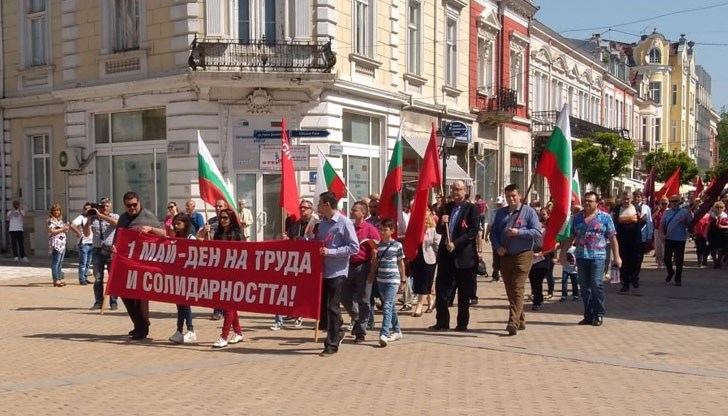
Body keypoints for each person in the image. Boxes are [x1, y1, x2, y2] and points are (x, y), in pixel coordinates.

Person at [559, 191, 621, 327]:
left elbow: (612, 237)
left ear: (596, 203)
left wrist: (617, 256)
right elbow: (571, 237)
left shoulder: (605, 218)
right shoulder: (577, 218)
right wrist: (563, 253)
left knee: (596, 284)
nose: (587, 203)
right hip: (581, 256)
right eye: (585, 200)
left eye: (590, 201)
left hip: (598, 257)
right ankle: (588, 315)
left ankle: (599, 314)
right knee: (584, 287)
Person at [489, 184, 541, 336]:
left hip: (523, 254)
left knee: (518, 288)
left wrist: (519, 232)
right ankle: (521, 318)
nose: (511, 199)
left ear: (520, 196)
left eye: (514, 196)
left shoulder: (528, 212)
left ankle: (513, 322)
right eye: (508, 196)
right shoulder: (500, 213)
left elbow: (537, 232)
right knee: (510, 289)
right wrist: (498, 247)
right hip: (505, 255)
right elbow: (494, 234)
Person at [429, 180, 480, 332]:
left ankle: (462, 323)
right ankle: (442, 321)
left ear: (465, 191)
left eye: (459, 189)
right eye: (453, 189)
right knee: (442, 290)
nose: (456, 192)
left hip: (463, 257)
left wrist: (456, 243)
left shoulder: (472, 209)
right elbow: (439, 231)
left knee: (463, 293)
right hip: (446, 256)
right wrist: (441, 222)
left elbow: (472, 231)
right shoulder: (447, 208)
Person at [115, 191, 164, 340]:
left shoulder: (147, 216)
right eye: (129, 206)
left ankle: (142, 328)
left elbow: (164, 234)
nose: (132, 208)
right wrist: (114, 247)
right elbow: (118, 236)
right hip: (125, 262)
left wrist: (151, 229)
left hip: (142, 263)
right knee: (124, 293)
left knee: (140, 297)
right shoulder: (123, 218)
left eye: (134, 205)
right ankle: (138, 324)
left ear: (139, 203)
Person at [316, 191, 359, 357]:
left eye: (320, 203)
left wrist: (332, 252)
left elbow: (354, 247)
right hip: (323, 271)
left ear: (327, 204)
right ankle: (339, 328)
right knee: (324, 308)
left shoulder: (344, 223)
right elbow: (320, 244)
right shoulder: (323, 224)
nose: (318, 207)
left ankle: (331, 344)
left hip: (338, 271)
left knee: (332, 307)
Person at [271, 199, 319, 330]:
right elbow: (291, 240)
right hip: (294, 261)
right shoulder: (295, 224)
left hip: (309, 262)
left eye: (305, 208)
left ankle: (300, 314)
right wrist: (287, 240)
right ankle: (280, 320)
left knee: (304, 291)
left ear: (311, 210)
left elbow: (319, 241)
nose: (302, 210)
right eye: (301, 208)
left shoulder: (317, 224)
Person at [342, 201, 380, 342]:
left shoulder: (370, 229)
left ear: (364, 213)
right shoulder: (349, 227)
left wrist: (372, 270)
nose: (352, 211)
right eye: (352, 209)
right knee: (344, 296)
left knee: (364, 299)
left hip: (364, 266)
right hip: (348, 265)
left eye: (355, 210)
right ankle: (357, 317)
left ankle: (361, 332)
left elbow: (378, 247)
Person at [211, 209, 245, 348]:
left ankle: (224, 336)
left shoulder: (237, 235)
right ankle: (238, 333)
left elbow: (245, 252)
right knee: (230, 305)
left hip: (234, 273)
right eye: (220, 218)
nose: (222, 220)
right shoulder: (218, 233)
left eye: (225, 217)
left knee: (228, 306)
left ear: (231, 219)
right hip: (221, 273)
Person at [369, 218, 405, 347]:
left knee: (387, 305)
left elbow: (401, 263)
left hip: (392, 279)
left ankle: (384, 332)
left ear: (392, 231)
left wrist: (403, 280)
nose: (383, 232)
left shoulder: (397, 245)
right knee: (389, 306)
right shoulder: (378, 246)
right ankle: (397, 330)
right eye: (381, 230)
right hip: (381, 279)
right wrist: (374, 256)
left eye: (385, 230)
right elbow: (375, 265)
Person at [167, 213, 198, 344]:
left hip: (188, 275)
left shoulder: (191, 238)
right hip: (178, 275)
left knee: (185, 304)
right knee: (179, 304)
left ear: (185, 224)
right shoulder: (176, 238)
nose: (176, 226)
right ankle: (179, 330)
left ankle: (190, 330)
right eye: (175, 223)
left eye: (179, 223)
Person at [85, 198, 119, 311]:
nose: (105, 208)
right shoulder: (93, 218)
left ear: (109, 206)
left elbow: (116, 224)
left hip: (110, 249)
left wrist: (101, 215)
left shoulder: (114, 216)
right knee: (98, 278)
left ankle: (113, 302)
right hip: (97, 250)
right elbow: (86, 233)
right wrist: (89, 218)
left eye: (107, 205)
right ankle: (98, 302)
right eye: (103, 206)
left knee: (113, 277)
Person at [198, 199, 228, 320]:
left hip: (227, 259)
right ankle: (217, 311)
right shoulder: (210, 222)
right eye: (216, 206)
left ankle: (227, 309)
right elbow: (199, 237)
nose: (218, 208)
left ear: (225, 207)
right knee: (215, 285)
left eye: (220, 206)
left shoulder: (231, 221)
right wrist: (205, 231)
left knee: (226, 285)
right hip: (214, 259)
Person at [412, 207, 440, 316]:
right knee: (420, 282)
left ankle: (419, 306)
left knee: (425, 282)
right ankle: (430, 300)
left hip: (429, 258)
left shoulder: (433, 230)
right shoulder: (414, 228)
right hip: (416, 258)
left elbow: (437, 245)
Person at [612, 191, 641, 293]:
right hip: (621, 239)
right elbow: (613, 223)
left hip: (634, 239)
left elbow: (642, 222)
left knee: (635, 261)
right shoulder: (616, 209)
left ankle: (634, 278)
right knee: (623, 261)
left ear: (632, 199)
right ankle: (625, 283)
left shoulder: (637, 208)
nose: (626, 201)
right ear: (621, 199)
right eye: (624, 199)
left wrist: (641, 219)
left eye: (628, 199)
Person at [661, 194, 693, 286]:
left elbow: (690, 225)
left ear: (680, 202)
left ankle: (678, 278)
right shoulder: (667, 212)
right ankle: (670, 272)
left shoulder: (685, 212)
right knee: (667, 258)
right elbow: (662, 224)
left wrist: (685, 222)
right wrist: (662, 233)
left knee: (679, 260)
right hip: (669, 237)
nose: (674, 203)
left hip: (680, 239)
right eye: (672, 201)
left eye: (676, 201)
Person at [69, 202, 94, 285]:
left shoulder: (93, 217)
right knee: (83, 262)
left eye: (89, 209)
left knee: (88, 262)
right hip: (83, 242)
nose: (87, 211)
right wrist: (78, 232)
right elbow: (72, 225)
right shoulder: (81, 217)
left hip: (92, 242)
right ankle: (82, 278)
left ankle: (85, 277)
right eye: (85, 209)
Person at [632, 190, 654, 281]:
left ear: (641, 197)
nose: (636, 198)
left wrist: (649, 235)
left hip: (642, 235)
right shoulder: (630, 207)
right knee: (631, 256)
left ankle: (635, 276)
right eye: (635, 196)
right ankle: (630, 274)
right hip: (631, 235)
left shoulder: (646, 208)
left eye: (638, 196)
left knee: (639, 257)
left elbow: (649, 222)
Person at [485, 196, 505, 282]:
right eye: (497, 204)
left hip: (503, 236)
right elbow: (490, 224)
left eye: (500, 204)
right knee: (495, 255)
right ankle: (495, 273)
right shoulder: (494, 213)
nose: (499, 206)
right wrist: (486, 235)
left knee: (504, 255)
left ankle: (504, 273)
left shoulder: (506, 212)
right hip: (495, 236)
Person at [48, 204, 69, 287]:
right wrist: (62, 229)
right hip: (56, 243)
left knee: (60, 262)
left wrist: (65, 229)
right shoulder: (50, 220)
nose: (56, 212)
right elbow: (52, 231)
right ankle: (56, 279)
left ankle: (59, 278)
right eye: (55, 210)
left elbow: (63, 229)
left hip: (62, 243)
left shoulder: (60, 220)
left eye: (58, 210)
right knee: (55, 262)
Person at [707, 201, 728, 268]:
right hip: (712, 233)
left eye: (721, 207)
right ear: (714, 208)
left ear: (723, 208)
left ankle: (719, 262)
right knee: (712, 248)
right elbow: (708, 225)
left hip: (722, 233)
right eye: (717, 207)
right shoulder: (712, 215)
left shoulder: (725, 216)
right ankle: (715, 262)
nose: (719, 209)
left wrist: (722, 226)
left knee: (720, 248)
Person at [652, 197, 669, 268]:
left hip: (667, 230)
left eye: (665, 203)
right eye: (663, 203)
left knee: (665, 247)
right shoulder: (658, 211)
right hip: (658, 230)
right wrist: (658, 210)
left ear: (668, 203)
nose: (664, 205)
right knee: (658, 246)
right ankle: (659, 261)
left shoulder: (669, 211)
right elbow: (652, 218)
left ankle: (666, 261)